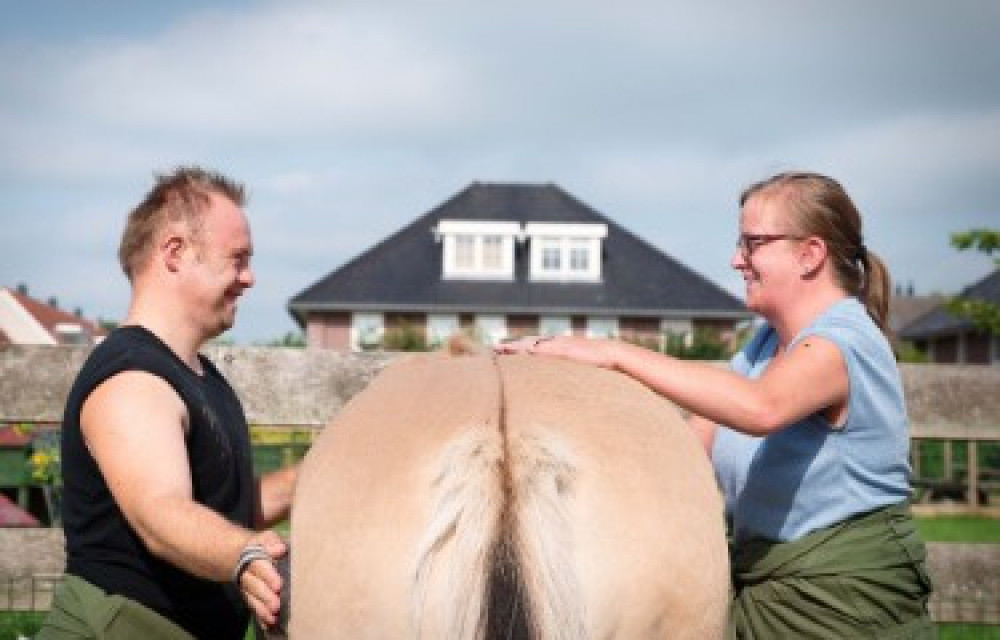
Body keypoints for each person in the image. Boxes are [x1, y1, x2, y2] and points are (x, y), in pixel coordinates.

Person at [497, 171, 935, 638]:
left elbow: (761, 408)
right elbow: (685, 455)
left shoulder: (845, 341)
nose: (736, 260)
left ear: (810, 254)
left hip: (842, 606)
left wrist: (614, 353)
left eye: (753, 244)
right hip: (767, 591)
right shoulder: (761, 348)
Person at [38, 167, 297, 640]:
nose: (249, 278)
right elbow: (161, 512)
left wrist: (319, 475)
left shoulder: (200, 377)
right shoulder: (132, 378)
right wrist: (245, 555)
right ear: (174, 252)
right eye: (237, 259)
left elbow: (223, 513)